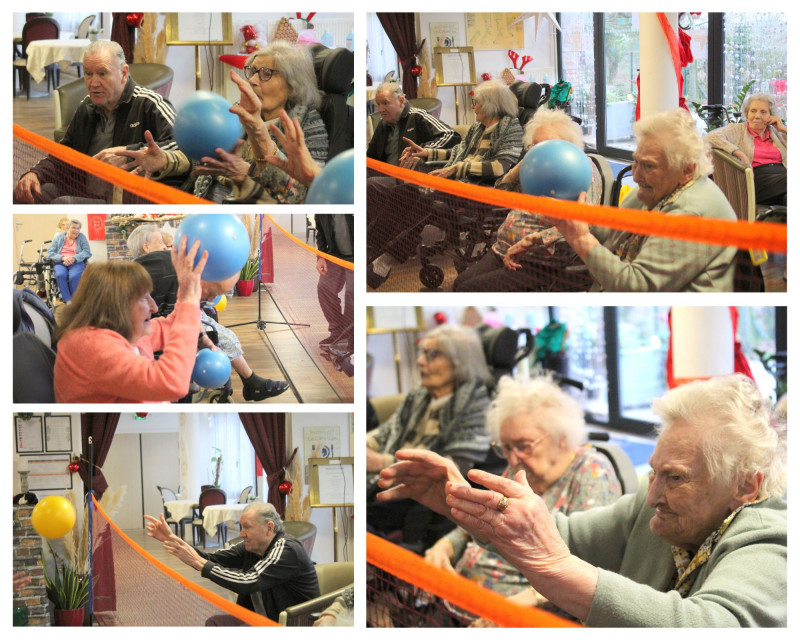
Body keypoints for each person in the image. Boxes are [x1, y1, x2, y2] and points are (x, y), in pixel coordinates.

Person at [377, 374, 787, 627]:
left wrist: (556, 570)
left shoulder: (771, 539)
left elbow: (713, 625)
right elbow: (566, 534)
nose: (653, 494)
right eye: (655, 471)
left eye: (675, 478)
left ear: (745, 487)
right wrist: (458, 501)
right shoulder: (652, 504)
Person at [421, 376, 621, 625]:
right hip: (461, 603)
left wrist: (511, 608)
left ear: (561, 437)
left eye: (523, 446)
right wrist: (443, 547)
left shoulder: (591, 472)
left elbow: (589, 568)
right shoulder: (517, 470)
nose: (513, 458)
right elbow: (477, 521)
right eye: (505, 447)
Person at [551, 108, 737, 291]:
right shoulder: (652, 191)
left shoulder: (690, 216)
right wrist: (584, 219)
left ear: (687, 170)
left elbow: (636, 287)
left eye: (649, 166)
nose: (636, 175)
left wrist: (580, 238)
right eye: (635, 162)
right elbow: (616, 231)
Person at [368, 81, 524, 288]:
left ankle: (384, 259)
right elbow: (457, 152)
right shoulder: (478, 127)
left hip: (481, 193)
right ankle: (373, 253)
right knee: (403, 191)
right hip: (458, 185)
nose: (473, 106)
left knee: (414, 194)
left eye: (476, 102)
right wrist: (426, 153)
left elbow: (499, 168)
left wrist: (455, 169)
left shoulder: (510, 129)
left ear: (490, 105)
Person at [126, 224, 289, 401]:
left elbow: (176, 315)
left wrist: (200, 331)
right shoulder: (165, 269)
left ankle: (251, 382)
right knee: (223, 336)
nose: (166, 245)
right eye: (160, 242)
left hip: (167, 333)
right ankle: (251, 382)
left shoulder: (141, 273)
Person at [13, 40, 188, 204]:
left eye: (102, 73)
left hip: (126, 200)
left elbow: (183, 147)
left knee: (63, 203)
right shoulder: (86, 107)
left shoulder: (149, 103)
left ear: (124, 73)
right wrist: (35, 174)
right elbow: (63, 155)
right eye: (88, 74)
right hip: (84, 190)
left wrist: (130, 152)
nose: (93, 83)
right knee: (26, 193)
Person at [367, 324, 492, 552]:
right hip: (386, 481)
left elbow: (451, 469)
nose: (420, 361)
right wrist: (359, 444)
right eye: (422, 352)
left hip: (419, 498)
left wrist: (381, 463)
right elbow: (385, 432)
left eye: (432, 354)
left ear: (459, 362)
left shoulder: (476, 405)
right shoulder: (420, 394)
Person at [453, 109, 601, 292]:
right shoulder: (537, 168)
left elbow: (583, 226)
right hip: (502, 249)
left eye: (546, 146)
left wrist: (531, 241)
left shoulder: (582, 170)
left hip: (538, 261)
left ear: (568, 144)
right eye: (534, 146)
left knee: (467, 290)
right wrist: (518, 169)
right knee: (459, 283)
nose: (539, 153)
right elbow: (500, 196)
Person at [53, 236, 206, 403]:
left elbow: (170, 327)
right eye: (143, 298)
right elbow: (170, 382)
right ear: (116, 305)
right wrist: (189, 302)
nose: (154, 307)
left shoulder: (119, 330)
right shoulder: (90, 345)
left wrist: (186, 292)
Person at [189, 41, 327, 204]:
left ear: (293, 84)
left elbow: (300, 195)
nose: (253, 80)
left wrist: (244, 173)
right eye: (253, 71)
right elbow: (205, 151)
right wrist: (167, 160)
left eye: (266, 73)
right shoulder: (241, 110)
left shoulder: (309, 124)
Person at [145, 502, 319, 625]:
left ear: (269, 527)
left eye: (247, 527)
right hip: (260, 619)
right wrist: (171, 538)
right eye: (241, 527)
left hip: (290, 624)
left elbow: (248, 581)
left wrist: (198, 563)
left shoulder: (287, 549)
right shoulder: (250, 547)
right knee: (214, 623)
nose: (241, 533)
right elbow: (210, 559)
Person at [707, 93, 787, 206]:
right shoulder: (737, 130)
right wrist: (739, 153)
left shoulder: (777, 134)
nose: (757, 116)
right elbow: (710, 137)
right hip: (755, 181)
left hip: (781, 180)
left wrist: (783, 129)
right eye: (753, 111)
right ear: (746, 113)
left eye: (763, 112)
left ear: (771, 115)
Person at [368, 82, 460, 168]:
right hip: (385, 173)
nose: (380, 109)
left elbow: (452, 135)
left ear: (401, 101)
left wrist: (423, 150)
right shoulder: (382, 124)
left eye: (385, 103)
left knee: (371, 183)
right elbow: (371, 156)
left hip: (410, 175)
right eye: (378, 104)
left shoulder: (417, 116)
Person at [314, 214, 354, 354]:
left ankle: (350, 336)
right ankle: (337, 332)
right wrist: (321, 257)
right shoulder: (322, 208)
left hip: (356, 258)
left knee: (352, 294)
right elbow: (320, 233)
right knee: (324, 288)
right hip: (334, 256)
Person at [46, 219, 92, 302]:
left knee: (74, 276)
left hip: (76, 262)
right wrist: (63, 257)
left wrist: (74, 258)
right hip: (61, 262)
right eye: (73, 228)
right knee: (60, 275)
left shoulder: (81, 237)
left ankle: (76, 300)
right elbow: (50, 253)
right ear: (67, 228)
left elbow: (87, 252)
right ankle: (67, 300)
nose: (76, 231)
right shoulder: (58, 238)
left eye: (78, 228)